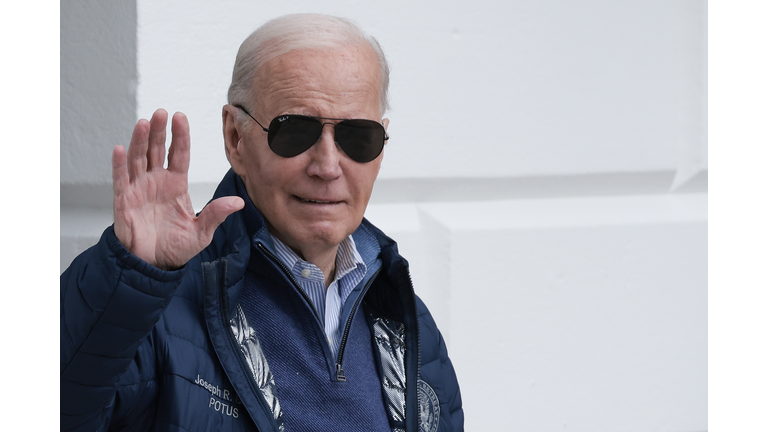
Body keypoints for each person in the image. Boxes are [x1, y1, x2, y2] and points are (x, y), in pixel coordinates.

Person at [60, 13, 463, 432]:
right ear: (235, 138)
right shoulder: (153, 303)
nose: (327, 166)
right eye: (295, 132)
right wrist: (128, 278)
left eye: (357, 137)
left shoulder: (406, 318)